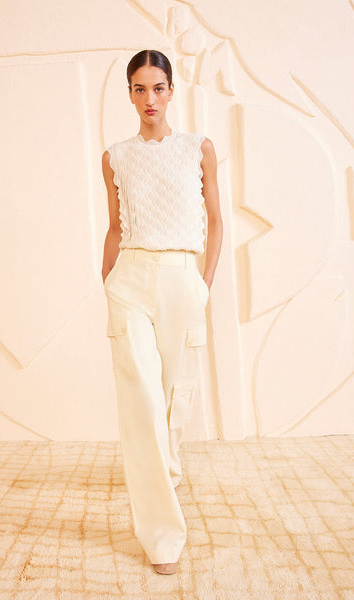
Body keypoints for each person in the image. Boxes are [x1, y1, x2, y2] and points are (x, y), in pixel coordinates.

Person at [101, 49, 223, 575]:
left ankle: (166, 471)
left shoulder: (199, 148)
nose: (149, 98)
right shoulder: (114, 157)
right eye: (139, 89)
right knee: (142, 403)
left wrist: (203, 285)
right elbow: (115, 226)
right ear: (129, 94)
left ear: (172, 90)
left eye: (157, 87)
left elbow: (215, 221)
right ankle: (162, 538)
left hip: (181, 278)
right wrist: (107, 281)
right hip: (130, 279)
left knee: (174, 399)